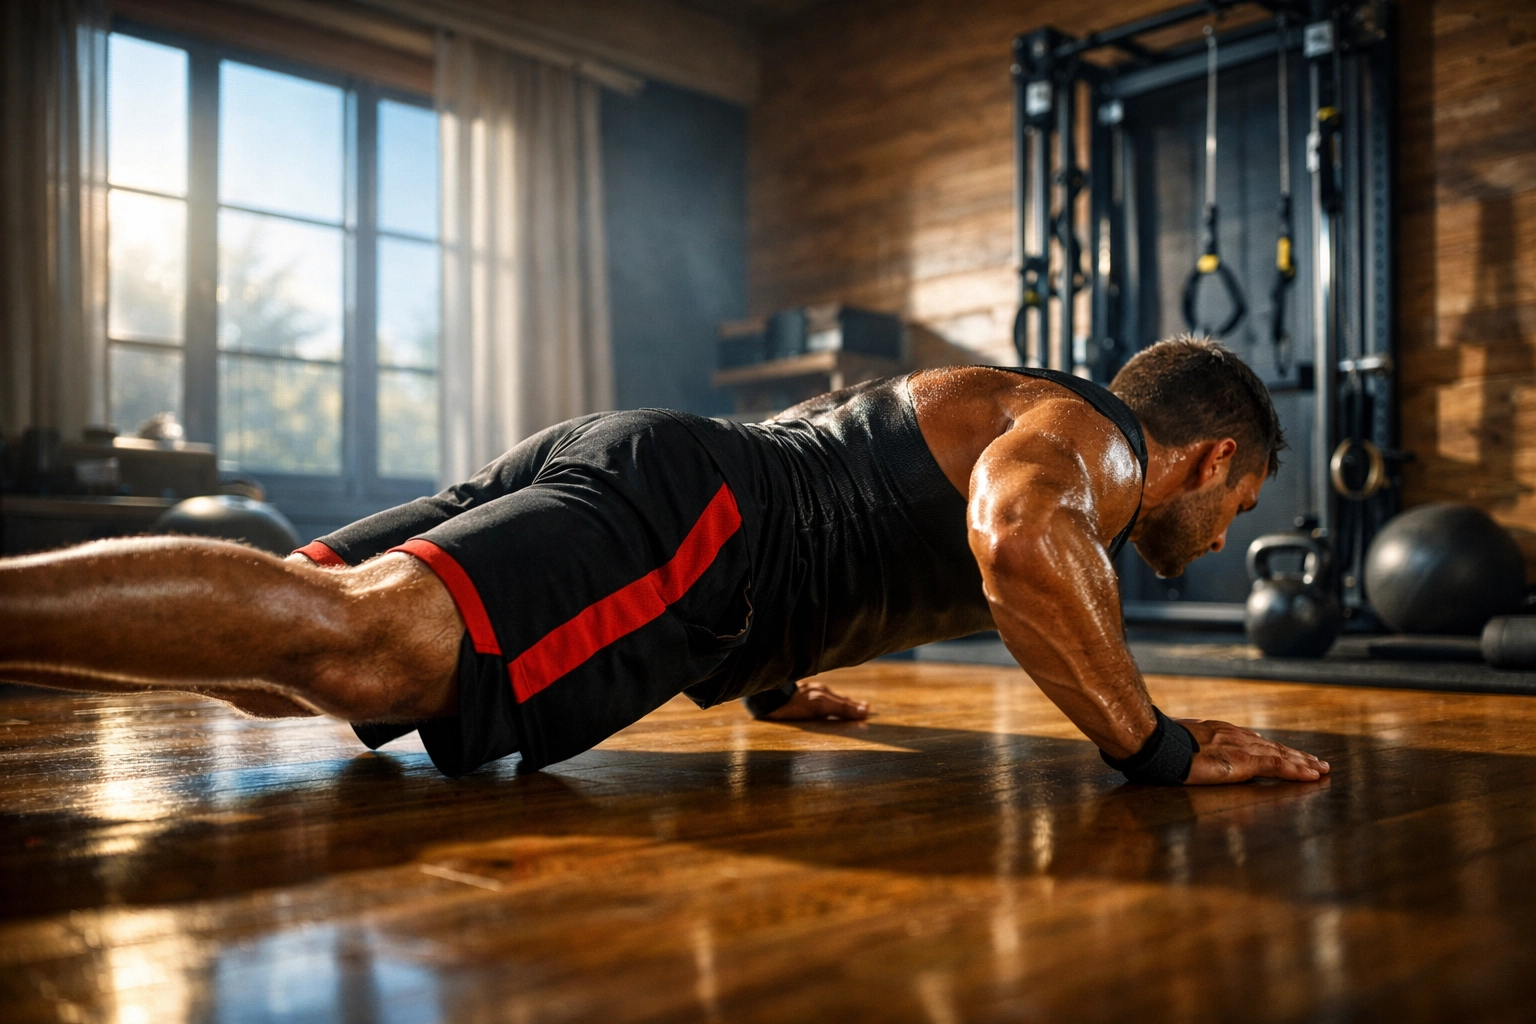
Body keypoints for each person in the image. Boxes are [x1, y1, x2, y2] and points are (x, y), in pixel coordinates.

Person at [0, 336, 1329, 786]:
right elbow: (1017, 540)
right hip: (699, 519)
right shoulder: (1096, 444)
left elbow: (854, 491)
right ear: (1208, 462)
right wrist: (1153, 745)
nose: (1221, 538)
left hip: (663, 472)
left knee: (277, 665)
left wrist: (774, 668)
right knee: (355, 644)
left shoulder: (1008, 397)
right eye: (1241, 505)